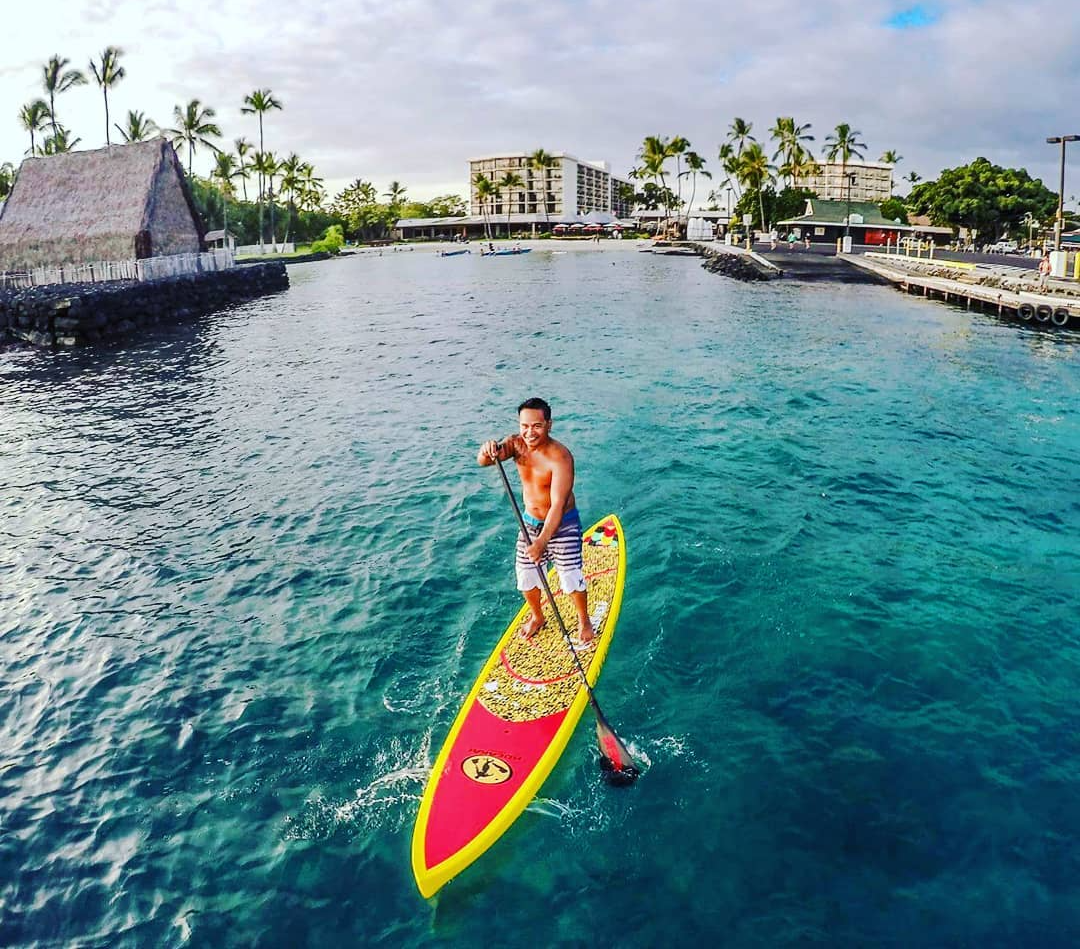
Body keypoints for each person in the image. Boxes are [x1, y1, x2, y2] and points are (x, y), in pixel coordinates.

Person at [478, 398, 594, 643]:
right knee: (526, 577)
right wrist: (487, 449)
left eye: (537, 426)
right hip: (530, 522)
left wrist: (542, 542)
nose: (530, 432)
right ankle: (538, 616)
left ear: (549, 424)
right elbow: (486, 460)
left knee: (569, 576)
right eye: (525, 426)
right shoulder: (515, 445)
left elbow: (558, 505)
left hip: (563, 523)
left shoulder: (560, 457)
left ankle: (584, 620)